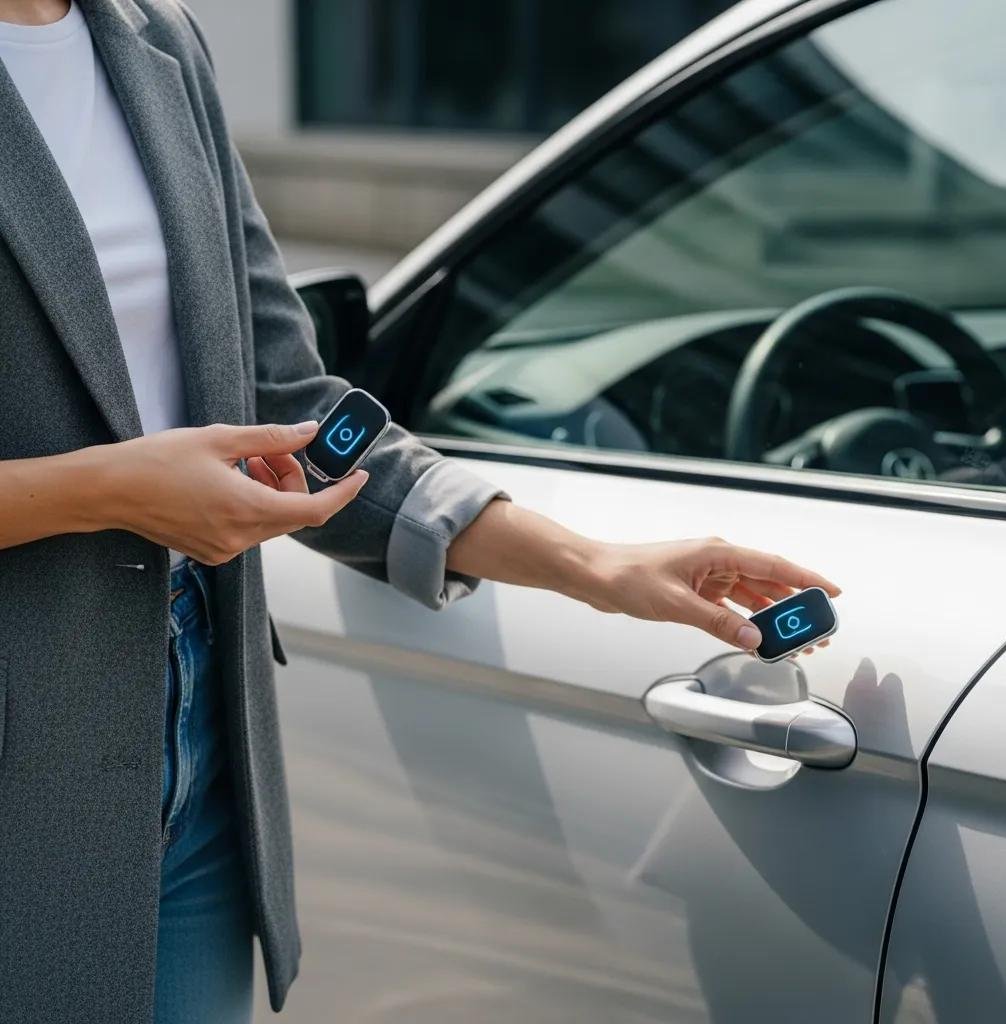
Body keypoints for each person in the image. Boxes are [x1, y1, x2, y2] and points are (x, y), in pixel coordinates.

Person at [0, 1, 840, 1021]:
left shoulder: (154, 38)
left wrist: (597, 566)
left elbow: (288, 403)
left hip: (199, 720)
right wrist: (105, 489)